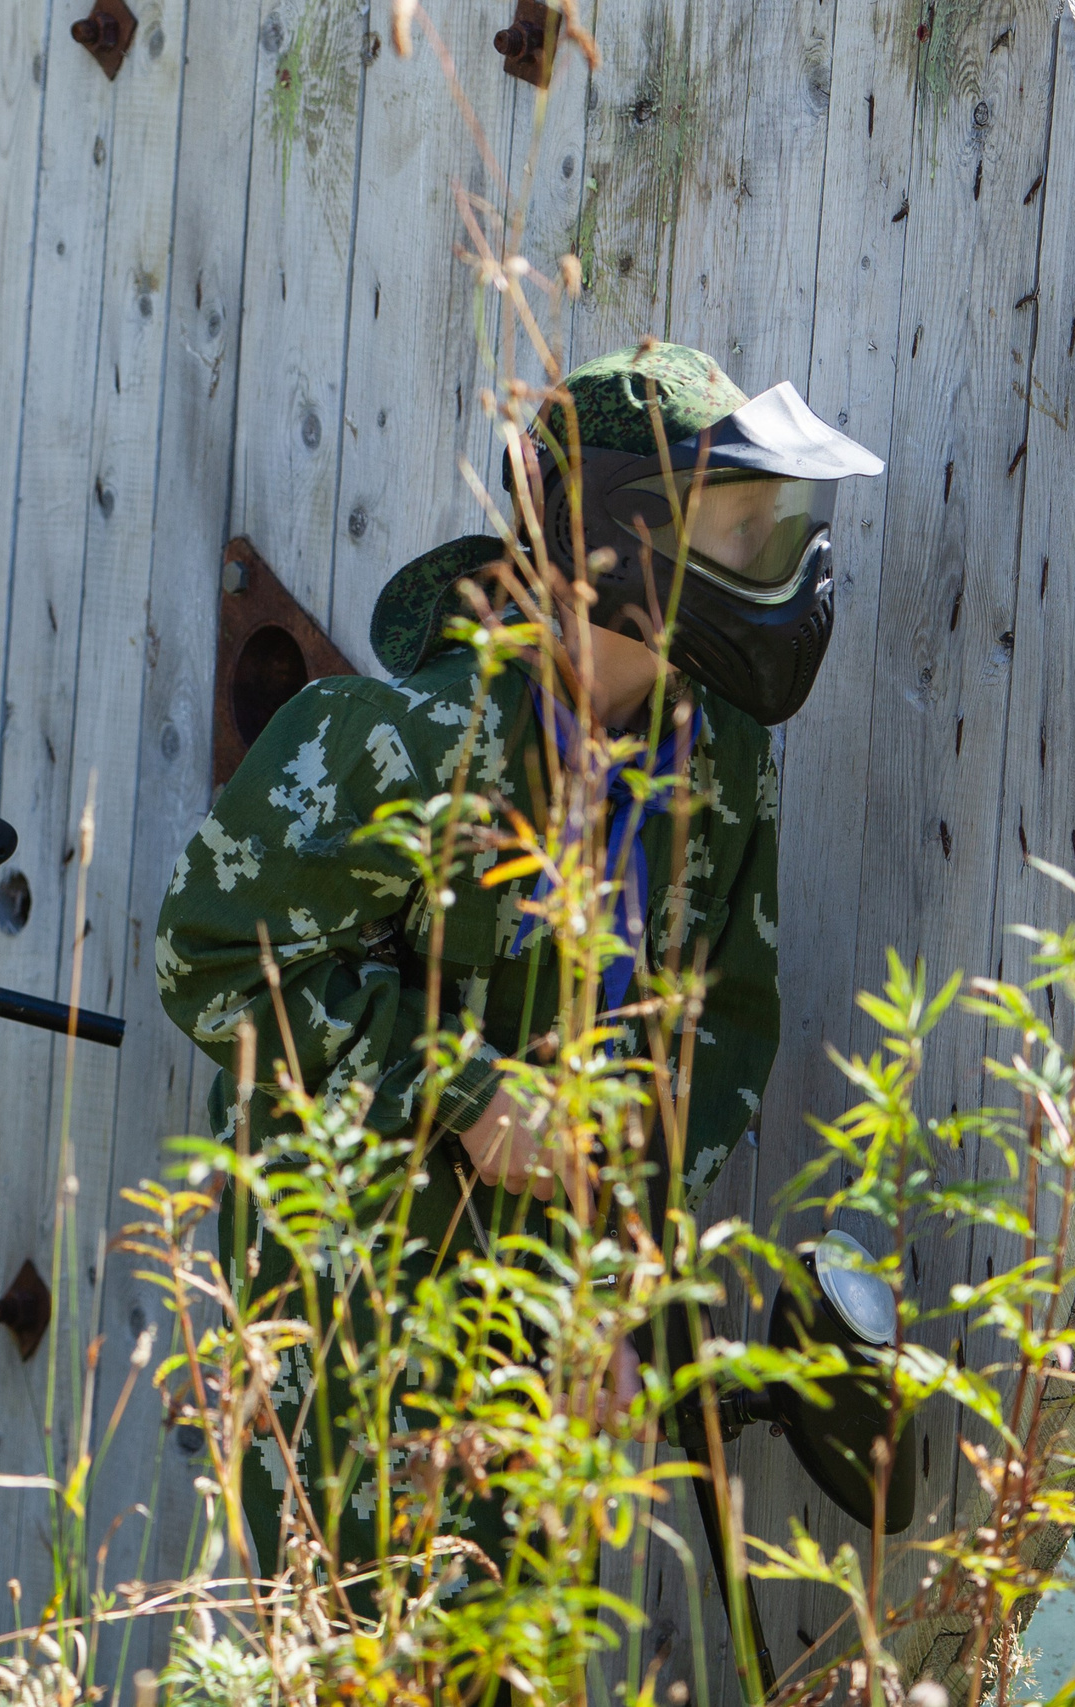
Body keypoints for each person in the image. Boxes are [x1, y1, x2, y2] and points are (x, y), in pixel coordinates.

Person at [152, 341, 883, 1569]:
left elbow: (720, 1034)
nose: (780, 562)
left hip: (551, 1326)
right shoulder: (400, 743)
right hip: (350, 1311)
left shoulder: (722, 763)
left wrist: (617, 1280)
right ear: (612, 534)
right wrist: (464, 1090)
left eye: (778, 523)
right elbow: (213, 958)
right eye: (739, 526)